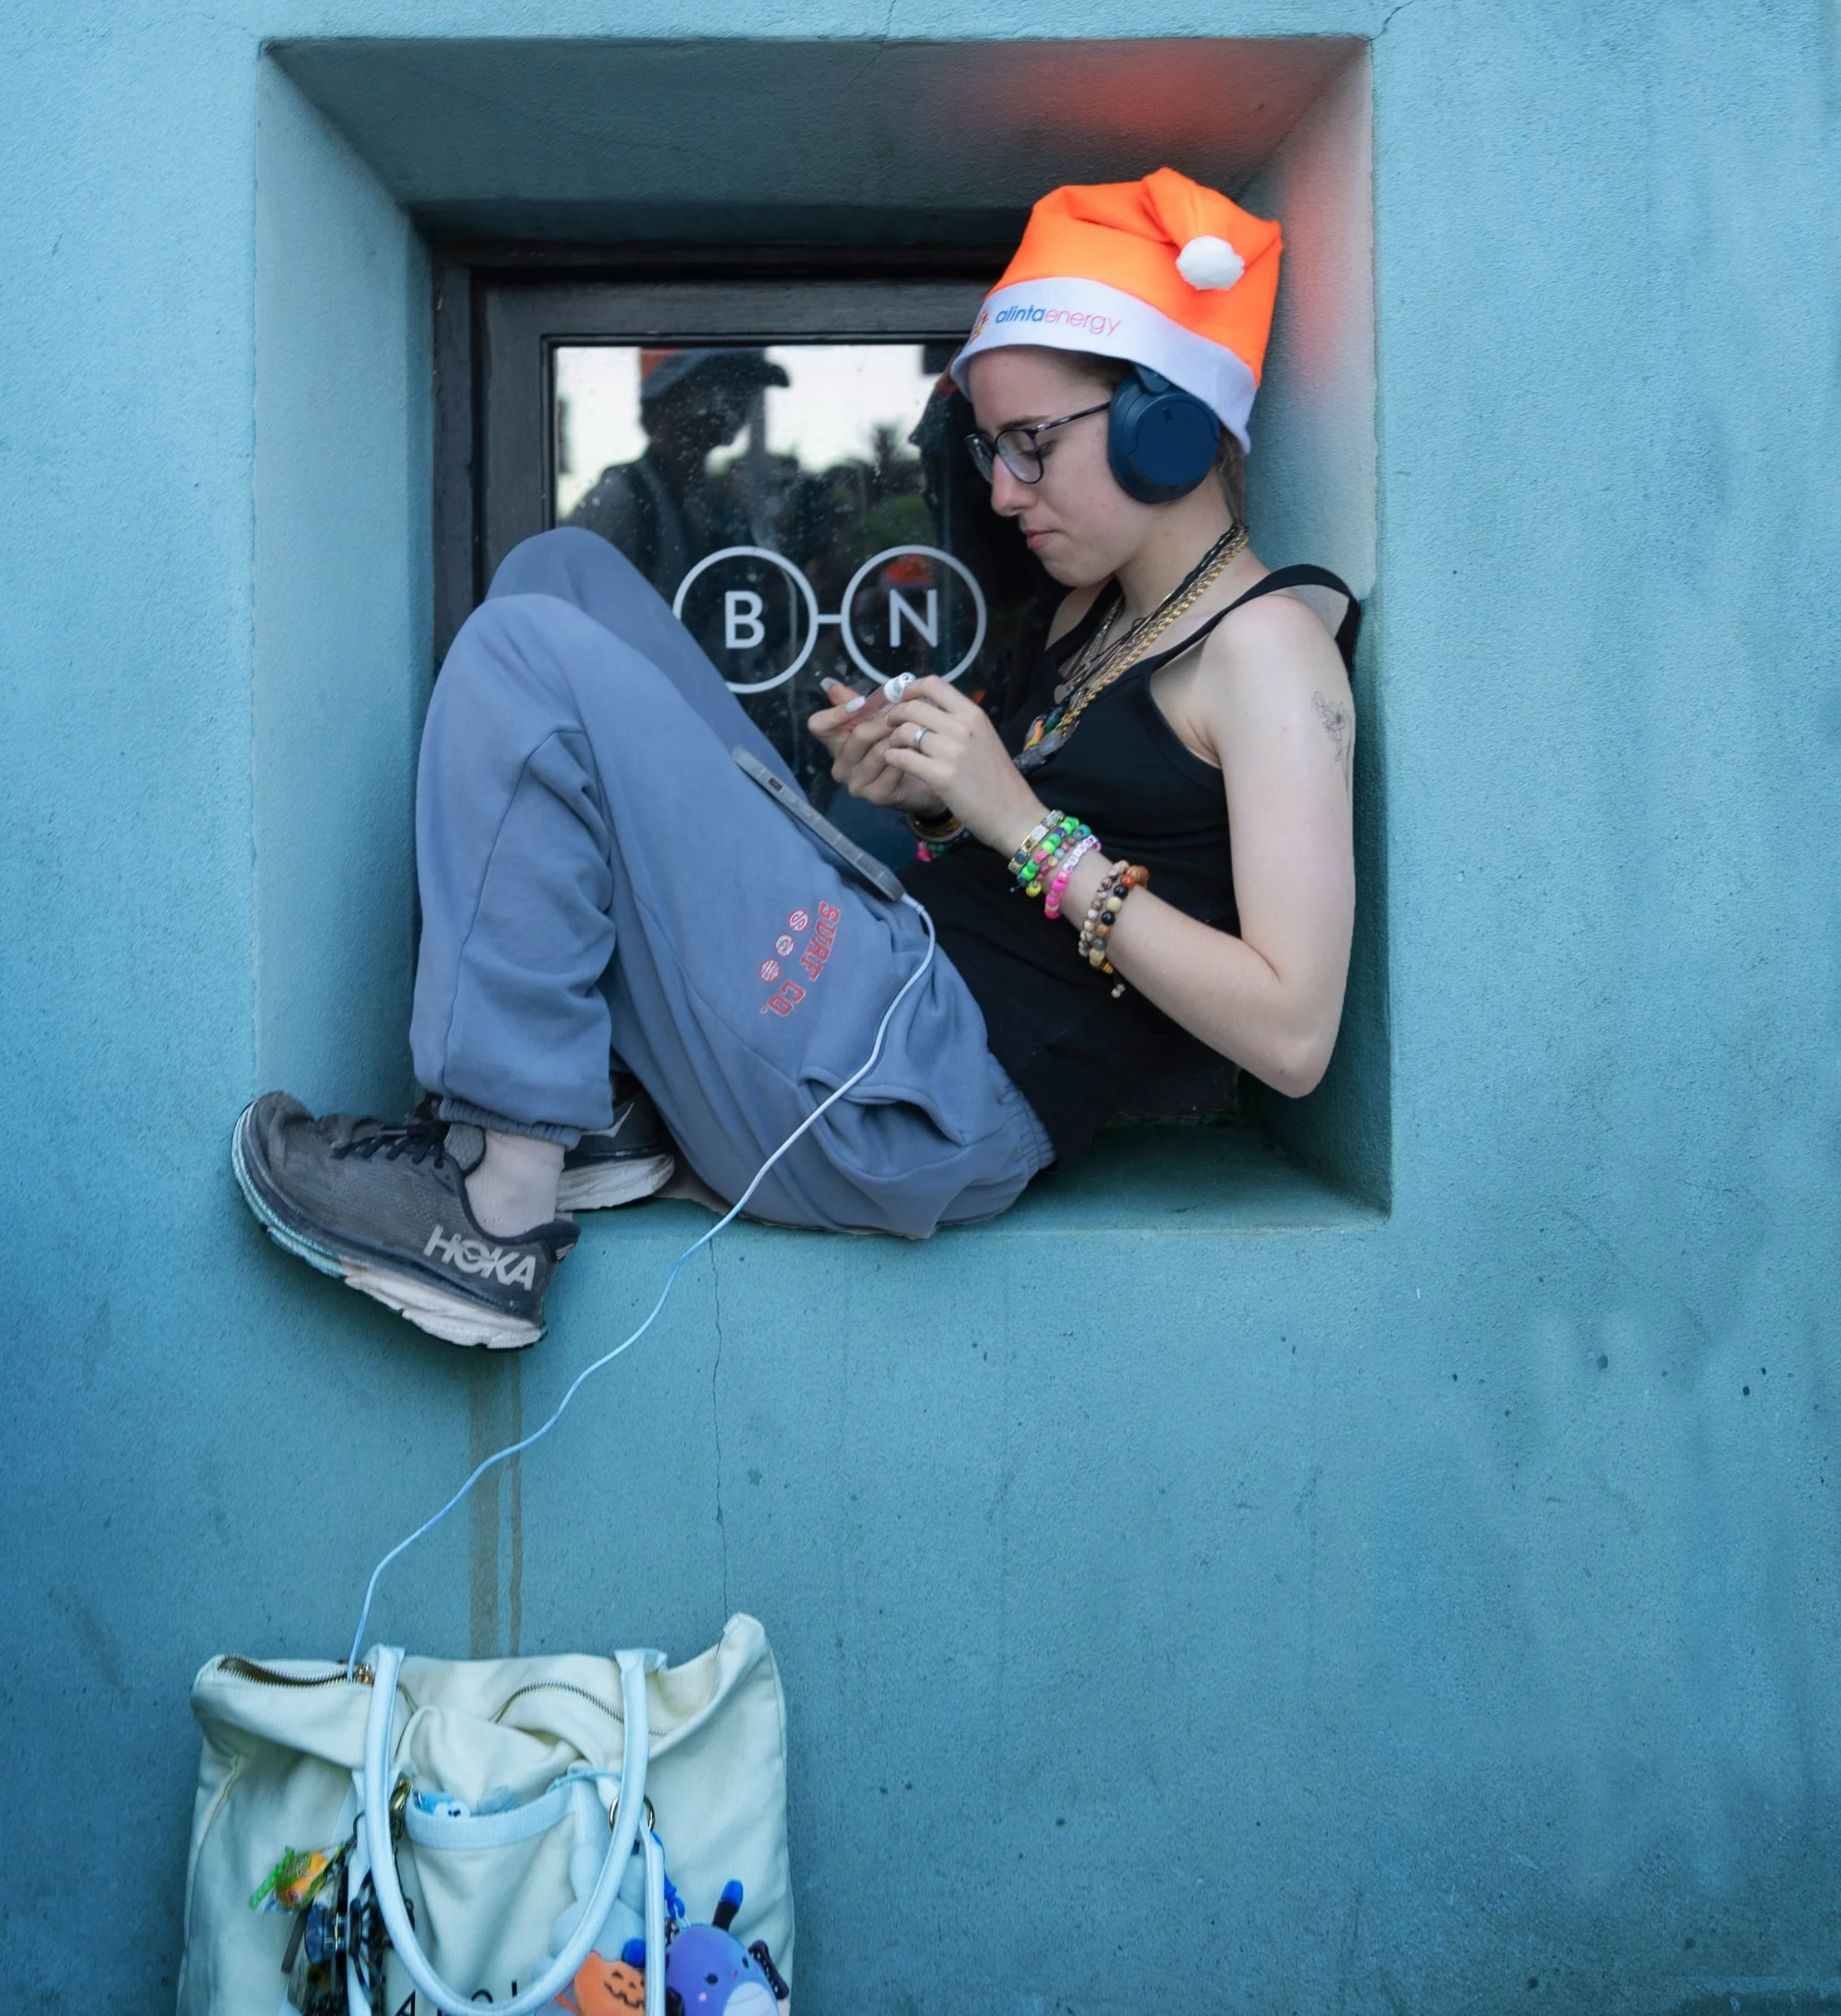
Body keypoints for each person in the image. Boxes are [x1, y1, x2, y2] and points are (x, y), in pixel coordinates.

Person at [231, 169, 1359, 1350]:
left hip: (924, 1096)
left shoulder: (1269, 652)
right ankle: (597, 1116)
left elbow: (1291, 1037)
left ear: (1165, 426)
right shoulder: (1099, 611)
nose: (1003, 492)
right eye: (992, 452)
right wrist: (932, 806)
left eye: (1033, 446)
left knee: (521, 655)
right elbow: (1038, 885)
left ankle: (491, 1205)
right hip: (891, 983)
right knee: (561, 579)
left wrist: (1020, 822)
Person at [567, 347, 788, 600]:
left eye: (743, 388)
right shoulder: (619, 503)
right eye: (718, 384)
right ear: (668, 398)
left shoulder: (719, 508)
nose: (736, 403)